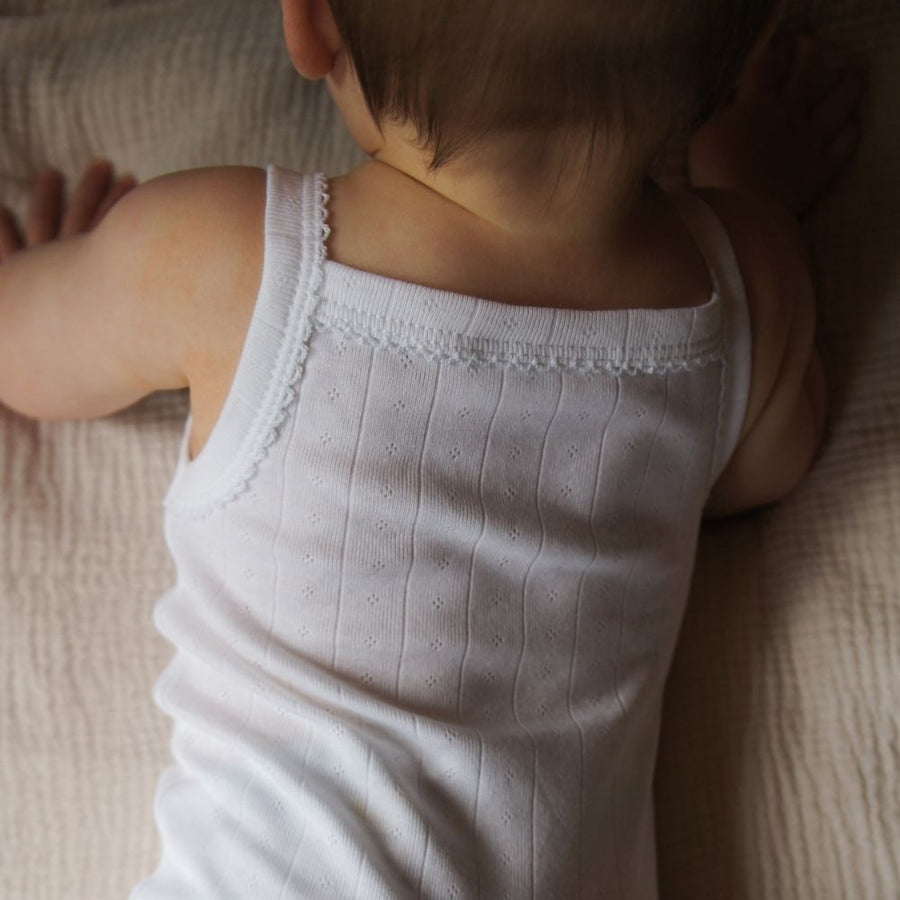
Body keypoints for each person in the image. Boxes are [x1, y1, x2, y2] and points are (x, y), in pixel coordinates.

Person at [0, 0, 862, 896]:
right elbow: (765, 465)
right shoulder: (737, 294)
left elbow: (20, 351)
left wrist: (57, 276)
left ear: (312, 27)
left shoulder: (218, 253)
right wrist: (753, 196)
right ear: (725, 72)